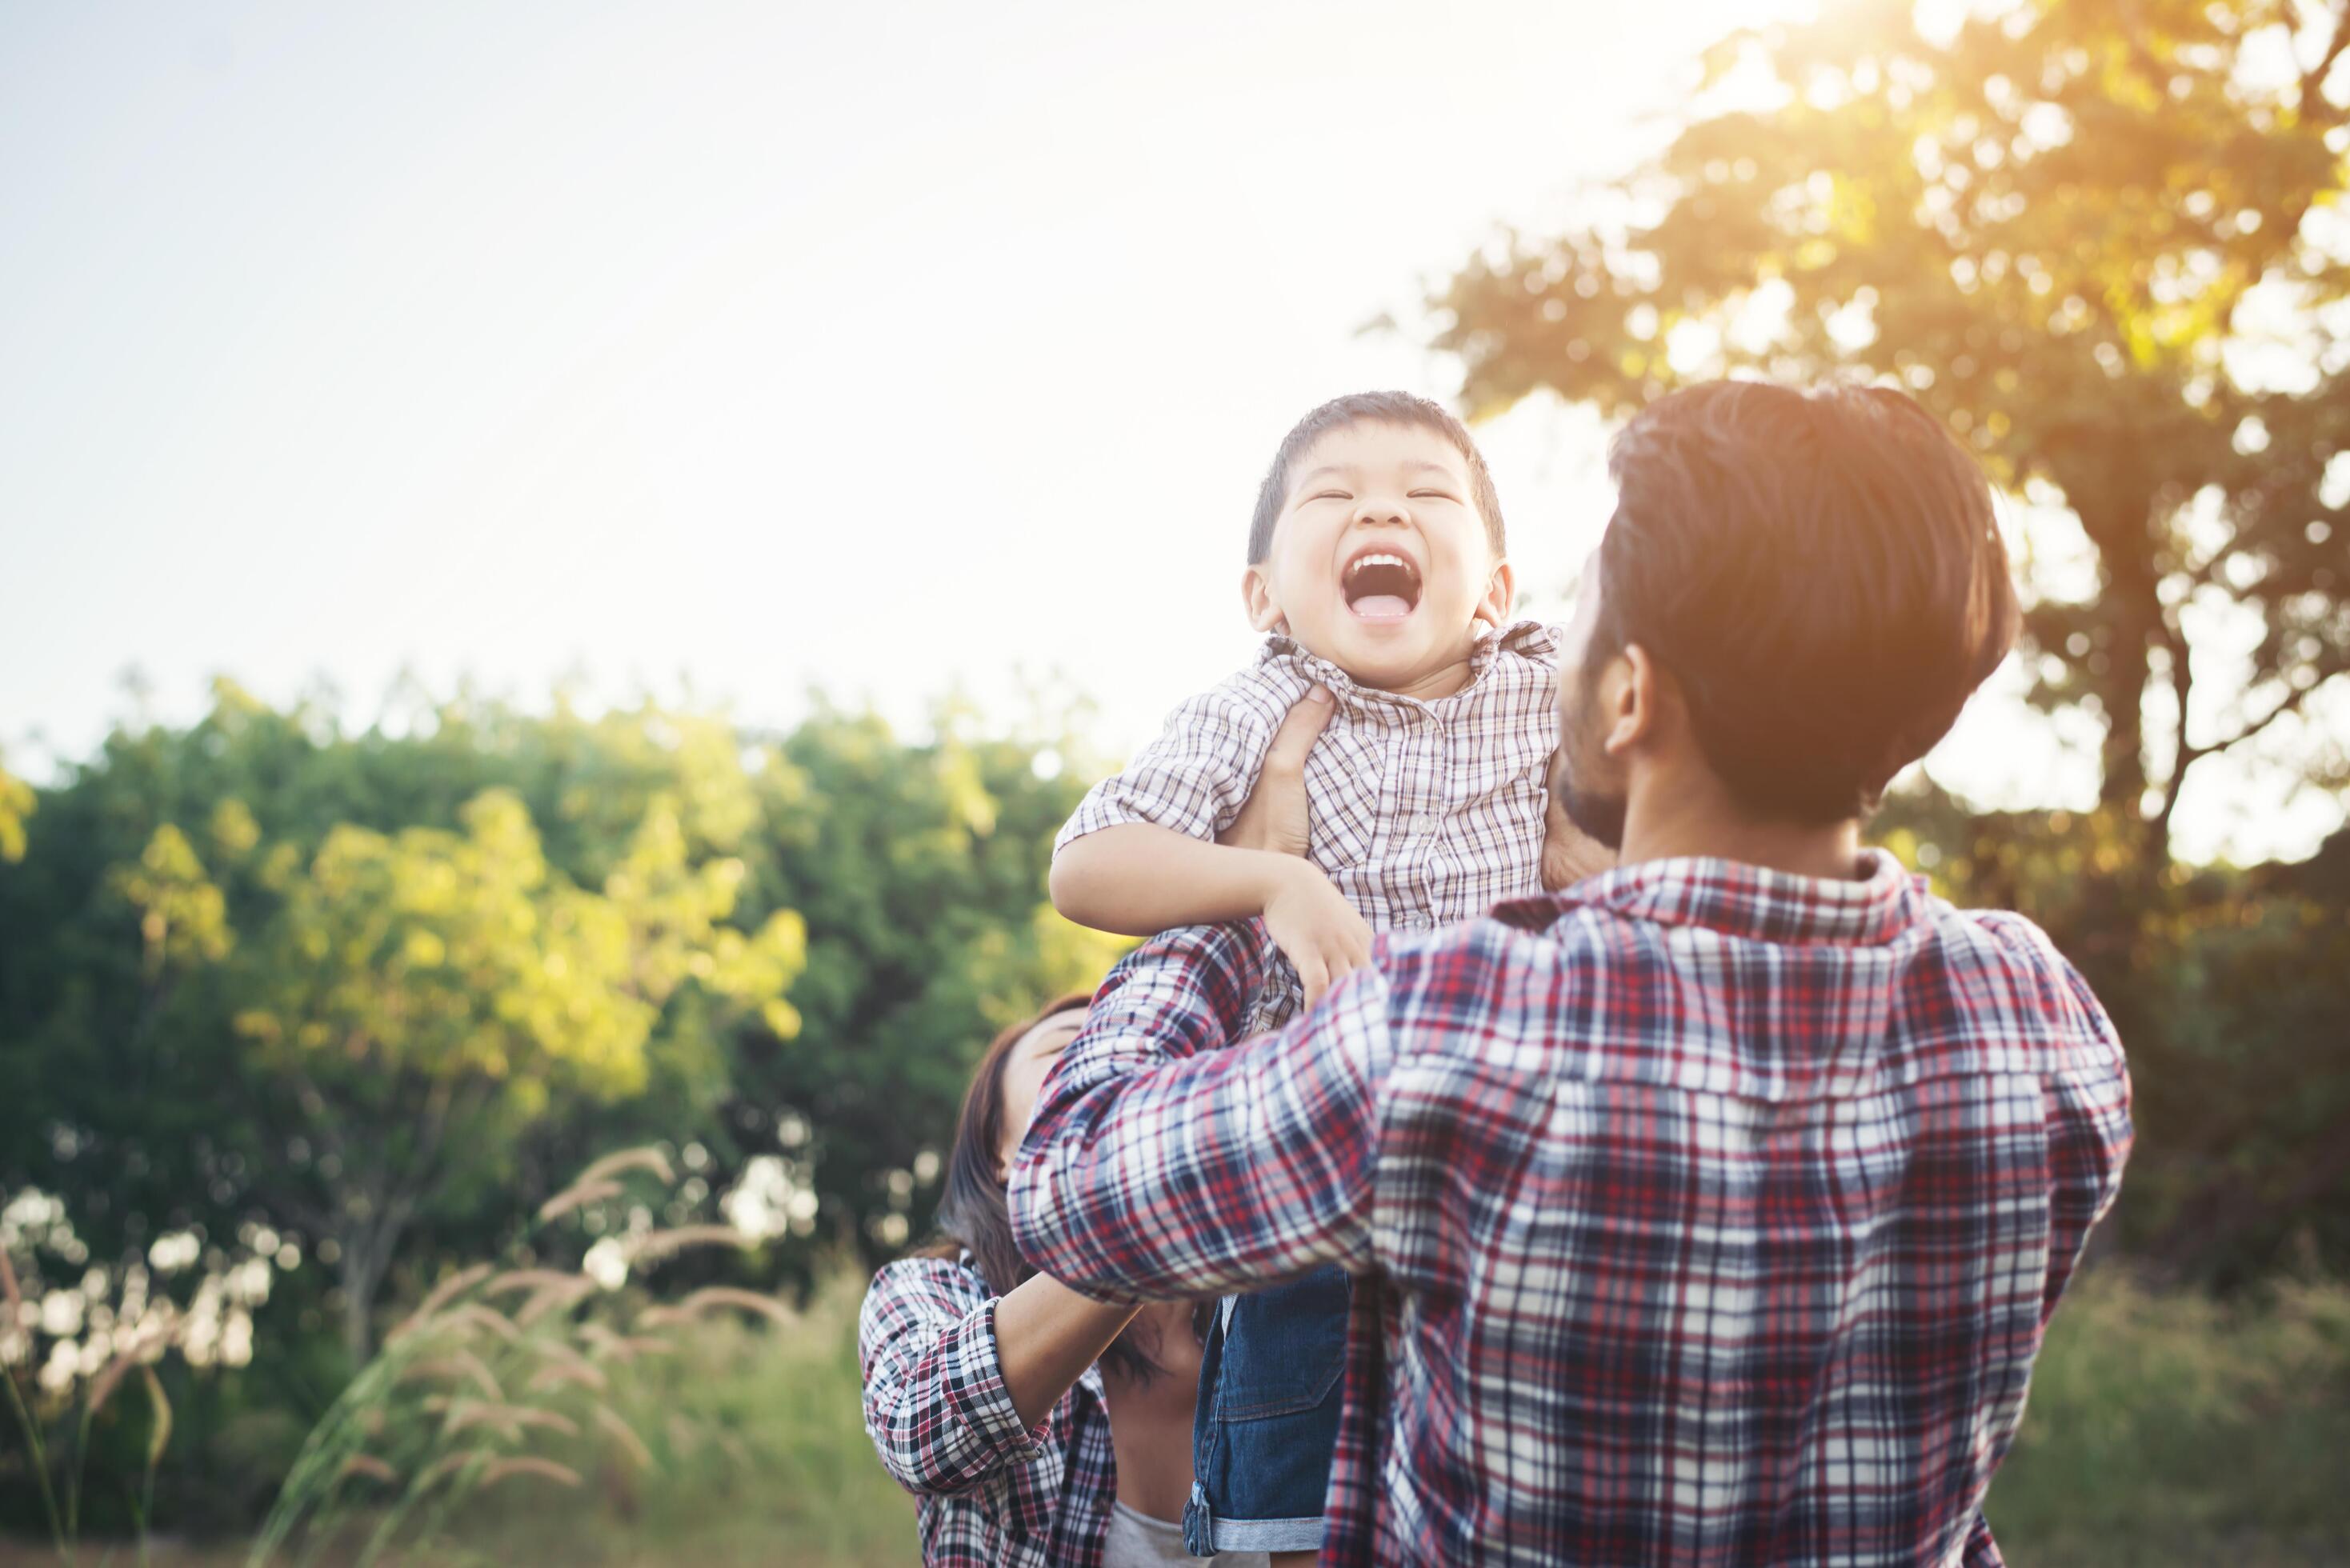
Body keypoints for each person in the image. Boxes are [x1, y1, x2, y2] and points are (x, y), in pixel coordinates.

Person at [1013, 381, 2135, 1564]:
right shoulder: (2037, 1018)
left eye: (1579, 615)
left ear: (1628, 698)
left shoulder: (1461, 1031)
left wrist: (1240, 893)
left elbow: (1068, 1188)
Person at [1050, 390, 1604, 1562]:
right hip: (1319, 1189)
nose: (1380, 511)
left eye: (1424, 494)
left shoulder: (1545, 688)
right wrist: (1272, 885)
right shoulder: (1256, 708)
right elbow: (1089, 865)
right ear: (1264, 596)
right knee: (1291, 1525)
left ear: (1496, 588)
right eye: (1336, 496)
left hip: (1522, 1175)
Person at [857, 994, 1271, 1568]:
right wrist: (1158, 1216)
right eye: (1067, 1048)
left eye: (1136, 1040)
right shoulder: (927, 1289)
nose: (1107, 1058)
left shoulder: (1276, 1316)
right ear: (999, 1149)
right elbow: (919, 1438)